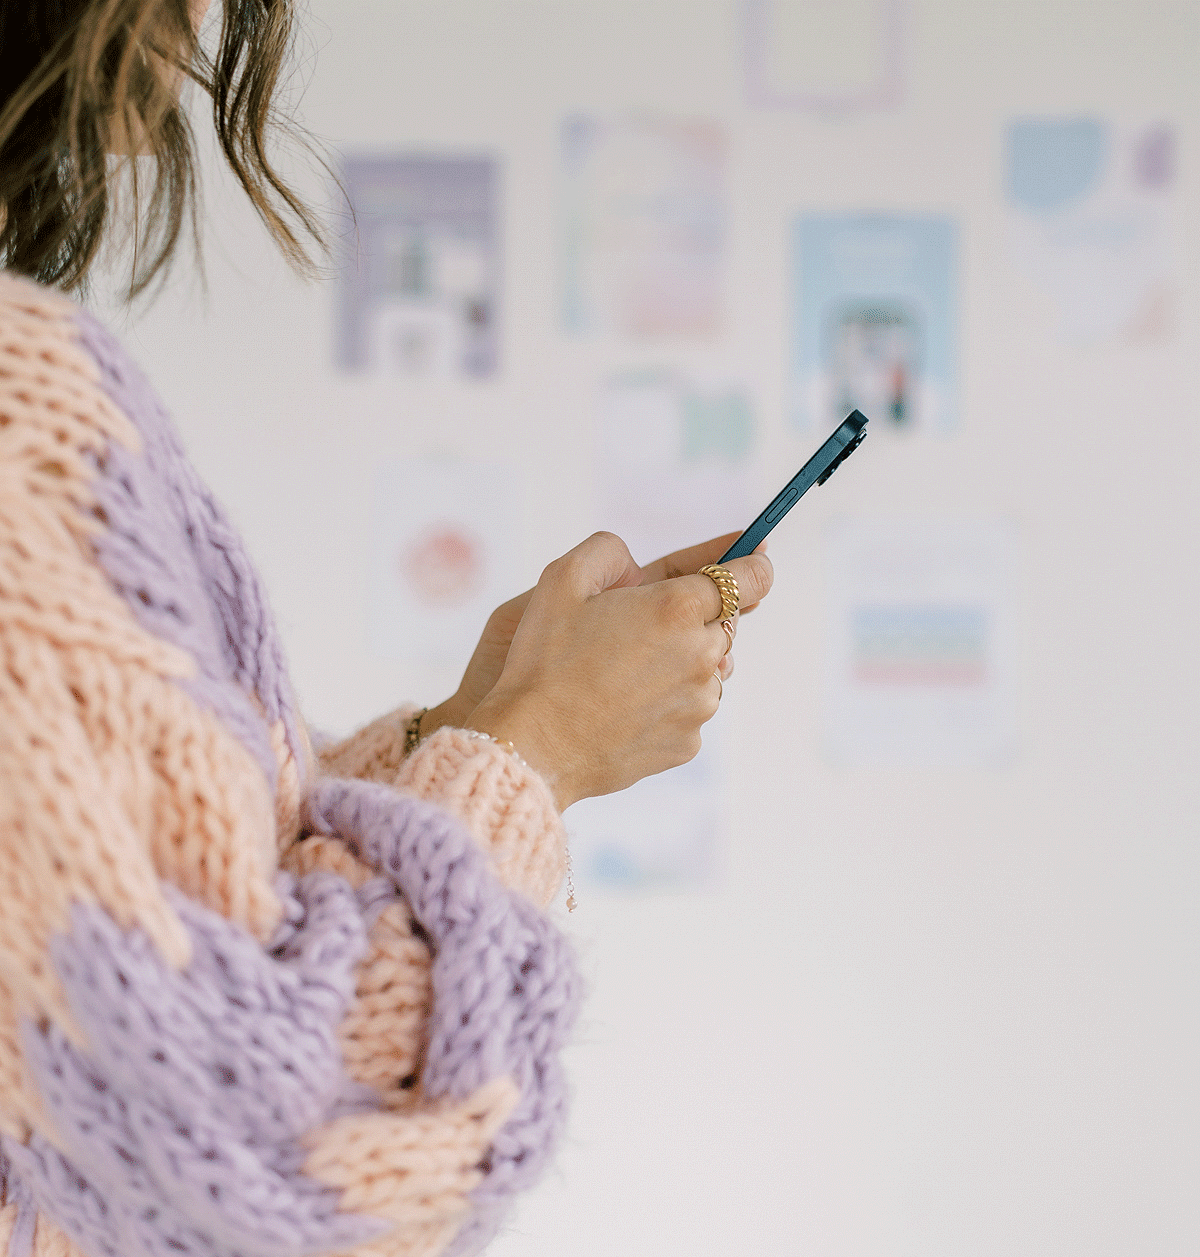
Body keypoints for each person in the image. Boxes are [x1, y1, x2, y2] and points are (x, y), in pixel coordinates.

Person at [0, 2, 774, 1255]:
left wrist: (474, 723)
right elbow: (274, 1152)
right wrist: (537, 752)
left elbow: (173, 900)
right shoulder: (16, 428)